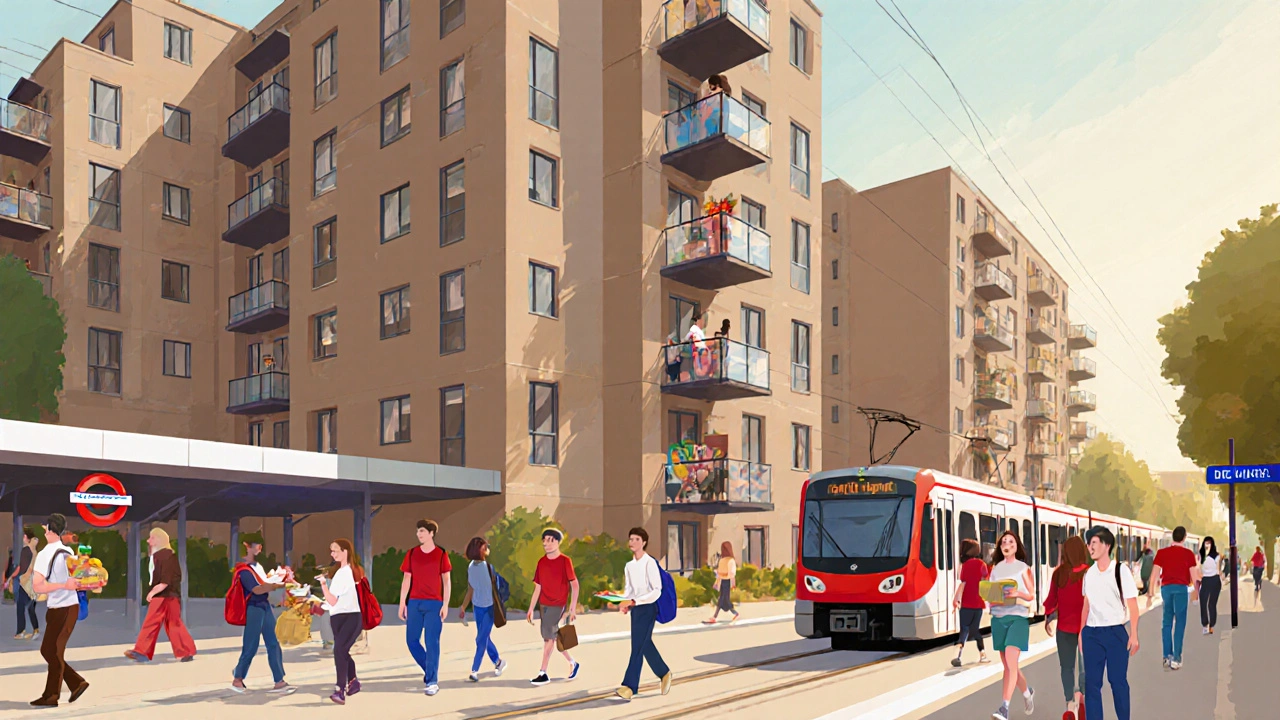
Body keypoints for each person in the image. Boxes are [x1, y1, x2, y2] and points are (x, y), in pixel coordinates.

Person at [1081, 526, 1140, 720]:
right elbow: (1086, 606)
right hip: (1092, 634)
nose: (1090, 547)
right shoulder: (1088, 574)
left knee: (1117, 681)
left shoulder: (1120, 571)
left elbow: (1132, 605)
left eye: (1094, 543)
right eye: (1089, 543)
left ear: (1106, 546)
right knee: (1092, 685)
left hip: (1116, 633)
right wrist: (1082, 633)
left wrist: (1134, 634)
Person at [29, 514, 89, 707]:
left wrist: (63, 585)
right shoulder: (68, 551)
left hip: (60, 609)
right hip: (70, 607)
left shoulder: (45, 554)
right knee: (52, 651)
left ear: (47, 529)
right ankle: (75, 683)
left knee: (51, 650)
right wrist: (67, 585)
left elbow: (38, 586)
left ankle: (52, 695)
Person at [230, 539, 294, 695]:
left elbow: (264, 584)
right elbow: (257, 589)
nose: (260, 548)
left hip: (264, 606)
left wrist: (277, 579)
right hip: (254, 608)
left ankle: (279, 681)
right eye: (256, 545)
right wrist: (276, 584)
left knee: (273, 642)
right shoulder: (243, 570)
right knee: (251, 645)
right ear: (247, 547)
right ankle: (238, 678)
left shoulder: (257, 567)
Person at [615, 527, 672, 701]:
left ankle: (630, 687)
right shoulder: (629, 566)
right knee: (644, 644)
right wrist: (625, 603)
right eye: (631, 539)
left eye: (636, 539)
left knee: (637, 647)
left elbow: (657, 590)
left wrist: (635, 601)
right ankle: (664, 672)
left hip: (648, 608)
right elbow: (629, 590)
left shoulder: (650, 563)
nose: (633, 542)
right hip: (636, 609)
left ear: (644, 542)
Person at [125, 528, 196, 663]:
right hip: (171, 596)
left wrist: (152, 592)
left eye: (151, 538)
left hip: (162, 596)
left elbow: (165, 580)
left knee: (151, 622)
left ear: (159, 540)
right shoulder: (167, 556)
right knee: (174, 623)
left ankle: (142, 651)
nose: (148, 541)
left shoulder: (163, 557)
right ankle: (186, 650)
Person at [398, 519, 452, 697]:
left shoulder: (441, 554)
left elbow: (446, 581)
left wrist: (445, 604)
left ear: (431, 533)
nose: (418, 534)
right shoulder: (412, 553)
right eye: (417, 531)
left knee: (432, 642)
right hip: (414, 602)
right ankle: (429, 668)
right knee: (411, 641)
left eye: (422, 531)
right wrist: (402, 604)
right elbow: (406, 579)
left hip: (434, 604)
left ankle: (432, 681)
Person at [987, 530, 1036, 720]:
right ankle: (1027, 693)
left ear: (1016, 546)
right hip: (999, 618)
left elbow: (1031, 594)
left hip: (1018, 618)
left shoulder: (1023, 568)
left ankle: (1004, 708)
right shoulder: (996, 569)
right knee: (1009, 665)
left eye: (1011, 541)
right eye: (1003, 542)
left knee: (1010, 660)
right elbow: (992, 593)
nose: (1007, 544)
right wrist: (991, 599)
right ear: (1001, 548)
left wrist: (1017, 594)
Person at [527, 528, 581, 686]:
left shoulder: (565, 561)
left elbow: (575, 585)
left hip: (558, 604)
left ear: (558, 542)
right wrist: (531, 608)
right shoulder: (541, 562)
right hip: (544, 604)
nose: (547, 543)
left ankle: (542, 673)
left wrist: (572, 609)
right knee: (554, 637)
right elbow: (538, 587)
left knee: (548, 640)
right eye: (545, 540)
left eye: (551, 540)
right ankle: (572, 662)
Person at [1044, 535, 1089, 719]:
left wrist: (1048, 619)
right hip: (1086, 629)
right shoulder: (1090, 573)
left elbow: (1050, 600)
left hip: (1064, 629)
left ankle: (1070, 703)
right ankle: (1083, 700)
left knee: (1066, 667)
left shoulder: (1059, 574)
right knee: (1086, 667)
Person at [318, 539, 363, 705]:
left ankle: (340, 690)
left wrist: (323, 584)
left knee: (339, 651)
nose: (332, 554)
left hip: (347, 617)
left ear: (345, 551)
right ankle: (353, 682)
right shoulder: (349, 571)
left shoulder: (344, 573)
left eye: (335, 550)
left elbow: (332, 600)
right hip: (344, 617)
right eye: (331, 551)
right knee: (342, 651)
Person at [1148, 526, 1200, 670]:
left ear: (1173, 537)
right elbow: (1194, 576)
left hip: (1166, 589)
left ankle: (1167, 656)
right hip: (1181, 589)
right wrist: (1196, 592)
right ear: (1184, 538)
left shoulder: (1162, 553)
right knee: (1180, 622)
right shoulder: (1189, 554)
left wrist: (1150, 592)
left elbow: (1154, 574)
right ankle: (1176, 658)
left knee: (1167, 622)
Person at [458, 537, 507, 682]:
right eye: (486, 547)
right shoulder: (472, 567)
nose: (488, 549)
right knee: (484, 638)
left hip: (489, 608)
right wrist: (463, 606)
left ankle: (474, 670)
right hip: (477, 608)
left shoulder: (488, 567)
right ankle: (498, 662)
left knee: (480, 639)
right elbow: (471, 589)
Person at [951, 538, 990, 667]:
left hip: (966, 605)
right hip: (978, 605)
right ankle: (983, 654)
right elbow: (986, 581)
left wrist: (956, 599)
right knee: (975, 630)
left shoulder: (965, 566)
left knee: (964, 631)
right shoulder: (981, 564)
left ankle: (957, 656)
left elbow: (963, 584)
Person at [7, 527, 40, 640]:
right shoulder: (34, 550)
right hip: (33, 582)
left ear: (26, 537)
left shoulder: (26, 550)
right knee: (30, 607)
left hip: (25, 582)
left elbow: (23, 567)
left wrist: (14, 577)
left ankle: (21, 631)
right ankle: (36, 630)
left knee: (20, 607)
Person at [705, 541, 739, 624]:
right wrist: (716, 582)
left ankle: (714, 617)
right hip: (723, 581)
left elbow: (731, 574)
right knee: (725, 600)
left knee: (722, 599)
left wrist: (733, 584)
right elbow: (720, 573)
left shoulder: (730, 560)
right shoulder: (723, 560)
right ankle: (735, 613)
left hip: (727, 582)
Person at [1197, 537, 1223, 635]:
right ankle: (1205, 624)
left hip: (1215, 579)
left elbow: (1218, 569)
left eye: (1209, 543)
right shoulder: (1201, 555)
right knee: (1203, 603)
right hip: (1205, 580)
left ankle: (1212, 625)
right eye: (1206, 543)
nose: (1207, 545)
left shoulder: (1217, 556)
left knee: (1211, 604)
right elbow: (1198, 567)